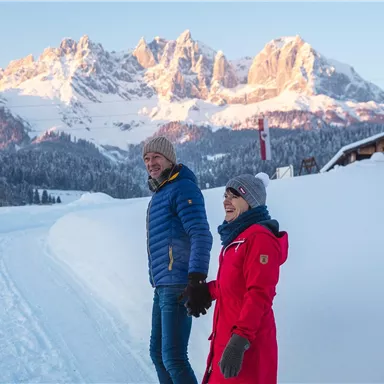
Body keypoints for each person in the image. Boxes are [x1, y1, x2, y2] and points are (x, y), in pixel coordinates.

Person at [187, 172, 289, 384]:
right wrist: (206, 291)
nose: (226, 201)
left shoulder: (260, 239)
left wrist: (240, 340)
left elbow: (260, 294)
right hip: (226, 338)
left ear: (250, 201)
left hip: (247, 346)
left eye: (233, 196)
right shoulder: (236, 240)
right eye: (225, 195)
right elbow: (234, 284)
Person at [142, 136, 213, 384]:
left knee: (173, 357)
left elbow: (200, 233)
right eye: (147, 159)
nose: (151, 163)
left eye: (156, 157)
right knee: (159, 354)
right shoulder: (162, 192)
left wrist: (196, 278)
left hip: (178, 283)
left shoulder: (183, 188)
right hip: (162, 285)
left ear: (169, 159)